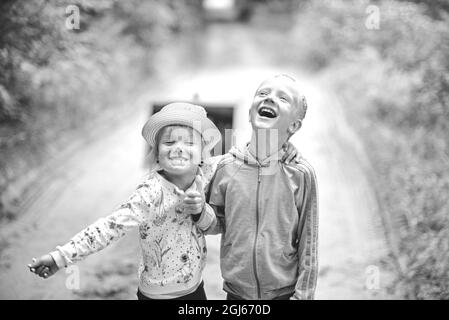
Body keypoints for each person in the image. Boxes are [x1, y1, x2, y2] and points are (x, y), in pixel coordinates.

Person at [28, 102, 222, 300]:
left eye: (189, 143)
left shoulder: (205, 173)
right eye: (169, 143)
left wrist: (201, 209)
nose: (179, 148)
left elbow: (239, 158)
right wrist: (60, 257)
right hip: (161, 295)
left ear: (202, 154)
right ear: (156, 154)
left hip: (196, 288)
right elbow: (109, 227)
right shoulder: (150, 193)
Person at [206, 74, 319, 300]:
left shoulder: (300, 174)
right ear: (249, 114)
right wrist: (199, 210)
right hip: (236, 293)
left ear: (294, 125)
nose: (269, 99)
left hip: (283, 293)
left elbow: (309, 240)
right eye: (263, 94)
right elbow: (215, 223)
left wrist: (303, 295)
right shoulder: (227, 167)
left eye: (283, 98)